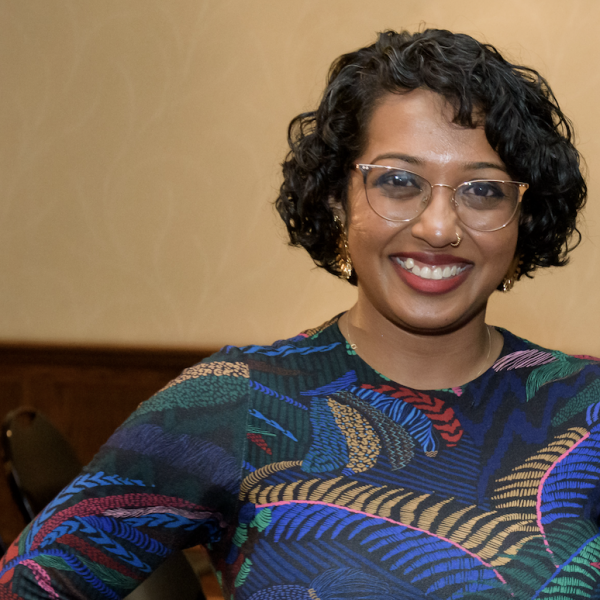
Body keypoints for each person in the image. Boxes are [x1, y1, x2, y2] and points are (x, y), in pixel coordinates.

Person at [1, 28, 597, 600]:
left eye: (483, 190)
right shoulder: (237, 403)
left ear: (522, 218)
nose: (439, 227)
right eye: (398, 182)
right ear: (337, 199)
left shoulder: (587, 408)